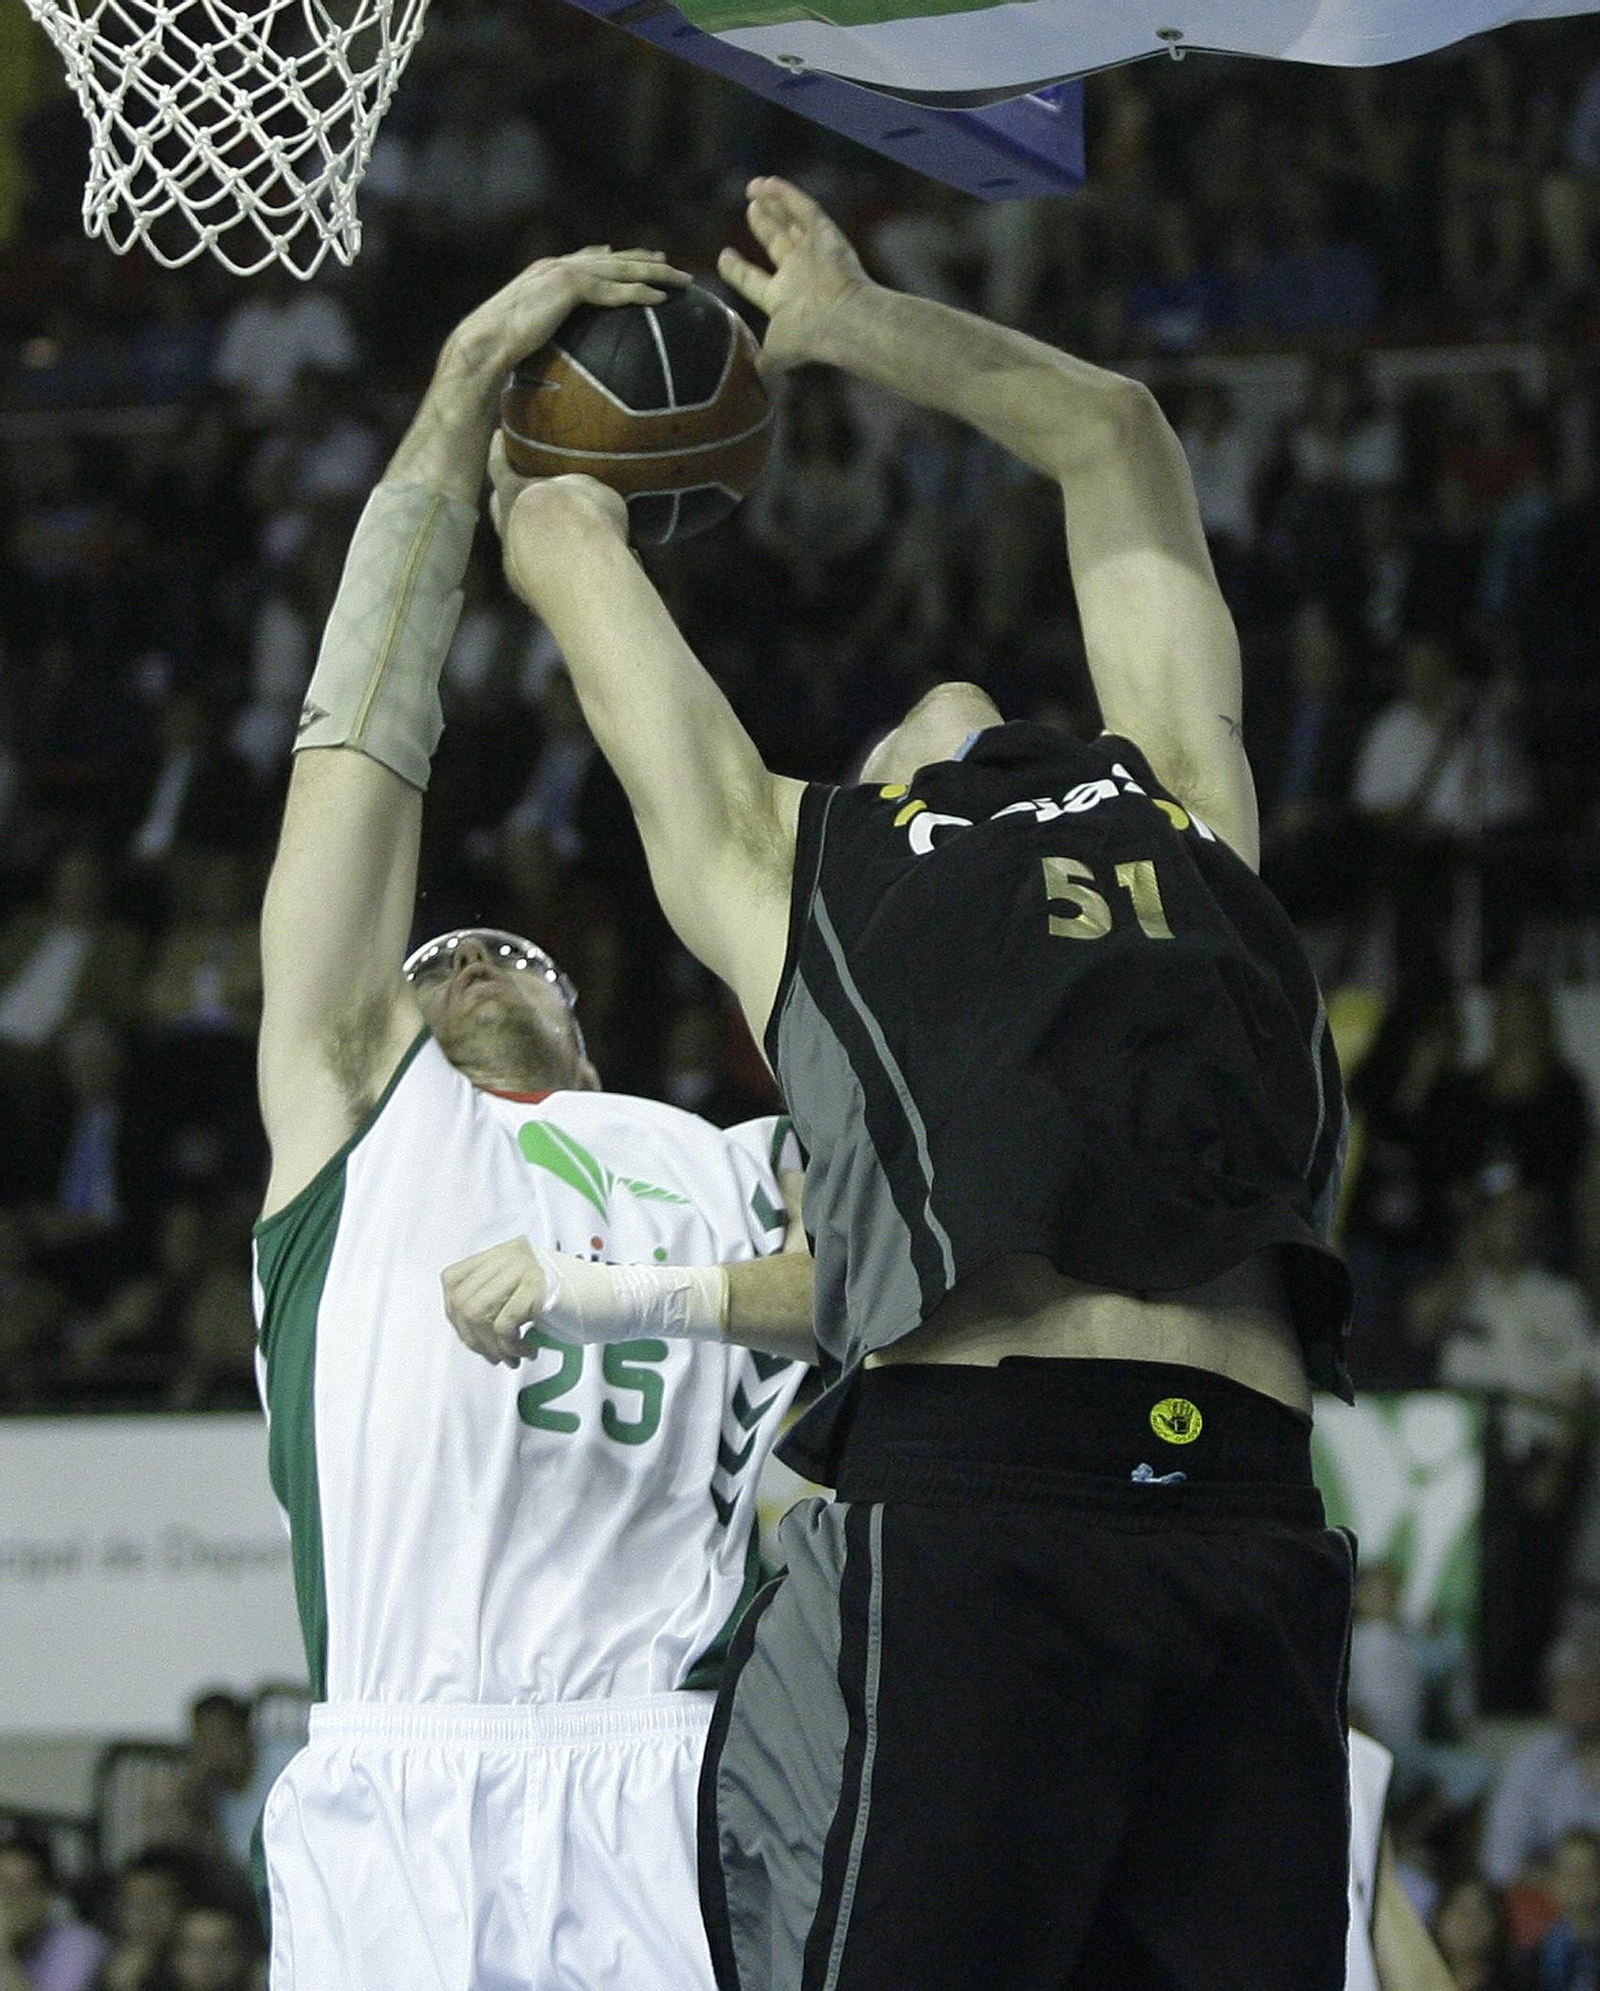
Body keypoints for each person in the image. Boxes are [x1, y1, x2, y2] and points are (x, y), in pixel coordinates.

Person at [468, 176, 1355, 1991]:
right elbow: (564, 543)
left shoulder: (1183, 806)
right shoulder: (790, 860)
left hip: (1252, 1524)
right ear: (867, 774)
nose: (952, 697)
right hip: (981, 1526)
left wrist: (861, 325)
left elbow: (1114, 437)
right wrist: (512, 414)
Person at [252, 246, 814, 1991]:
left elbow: (889, 1269)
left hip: (660, 1763)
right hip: (397, 1772)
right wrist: (448, 405)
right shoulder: (371, 1126)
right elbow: (358, 755)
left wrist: (624, 1295)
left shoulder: (717, 1161)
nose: (481, 960)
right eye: (446, 960)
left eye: (520, 952)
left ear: (582, 1012)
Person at [0, 1834, 108, 1991]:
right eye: (4, 1886)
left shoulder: (78, 1945)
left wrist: (4, 1952)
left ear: (48, 1896)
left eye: (25, 1888)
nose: (11, 1899)